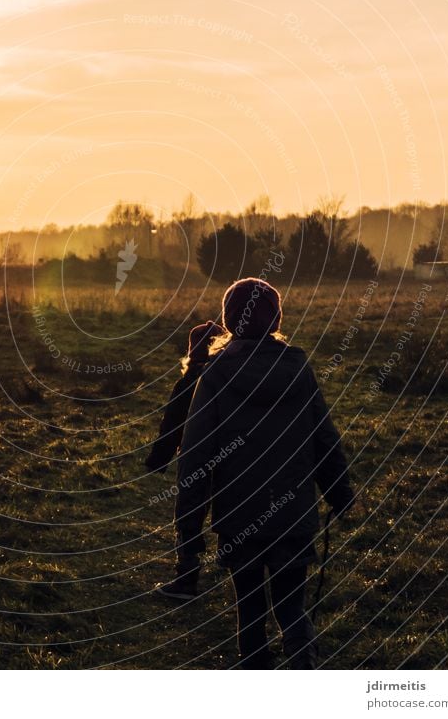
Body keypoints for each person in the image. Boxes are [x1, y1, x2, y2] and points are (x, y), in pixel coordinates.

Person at [174, 277, 355, 669]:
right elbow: (324, 436)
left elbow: (195, 454)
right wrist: (340, 494)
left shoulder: (216, 374)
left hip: (239, 517)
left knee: (250, 608)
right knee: (293, 607)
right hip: (293, 515)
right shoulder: (299, 368)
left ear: (228, 321)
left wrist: (189, 529)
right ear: (276, 319)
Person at [146, 320, 225, 600]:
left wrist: (158, 459)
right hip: (233, 459)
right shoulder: (233, 378)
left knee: (189, 517)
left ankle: (187, 578)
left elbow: (171, 425)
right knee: (230, 513)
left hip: (195, 459)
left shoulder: (188, 381)